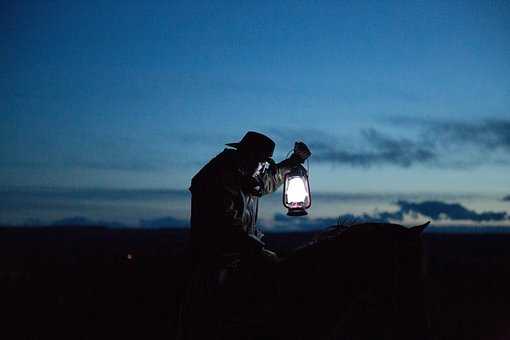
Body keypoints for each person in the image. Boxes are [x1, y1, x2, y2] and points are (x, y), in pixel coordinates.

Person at [178, 131, 311, 340]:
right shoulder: (217, 177)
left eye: (265, 164)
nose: (263, 168)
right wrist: (257, 249)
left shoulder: (245, 174)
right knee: (207, 314)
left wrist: (294, 161)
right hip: (215, 259)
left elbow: (269, 178)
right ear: (250, 157)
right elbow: (225, 224)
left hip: (239, 254)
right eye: (262, 163)